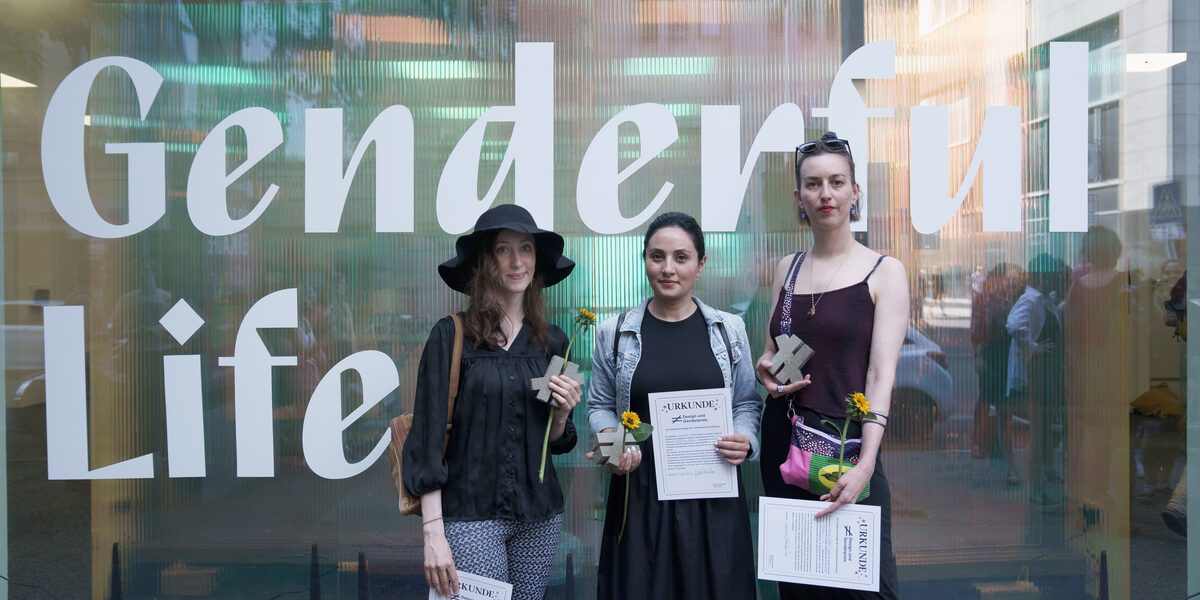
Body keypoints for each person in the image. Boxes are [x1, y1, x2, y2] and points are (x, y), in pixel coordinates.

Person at [402, 204, 583, 600]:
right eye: (504, 249)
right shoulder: (451, 336)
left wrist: (563, 412)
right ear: (486, 261)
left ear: (537, 259)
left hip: (540, 516)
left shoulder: (553, 341)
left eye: (526, 248)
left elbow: (555, 441)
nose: (517, 261)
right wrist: (433, 532)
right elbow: (428, 436)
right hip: (470, 518)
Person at [756, 132, 908, 600]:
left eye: (837, 182)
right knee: (799, 585)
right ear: (799, 197)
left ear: (855, 192)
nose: (826, 194)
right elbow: (772, 353)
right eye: (813, 184)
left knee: (866, 586)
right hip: (786, 445)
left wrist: (866, 467)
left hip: (847, 447)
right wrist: (767, 371)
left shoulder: (885, 271)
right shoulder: (788, 268)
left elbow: (881, 377)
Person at [586, 211, 762, 600]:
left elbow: (747, 403)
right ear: (644, 260)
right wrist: (614, 442)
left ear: (701, 265)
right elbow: (598, 405)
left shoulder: (728, 330)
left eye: (681, 258)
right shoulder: (613, 333)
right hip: (639, 498)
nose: (668, 269)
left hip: (713, 498)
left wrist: (746, 439)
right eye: (657, 256)